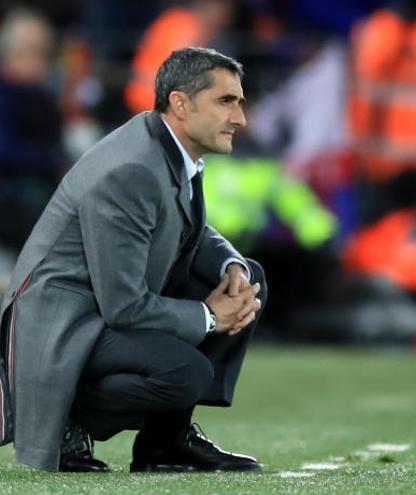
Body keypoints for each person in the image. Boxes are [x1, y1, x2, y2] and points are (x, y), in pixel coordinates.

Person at [0, 47, 266, 473]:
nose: (240, 118)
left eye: (240, 103)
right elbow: (123, 305)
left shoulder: (166, 144)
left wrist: (231, 266)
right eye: (225, 102)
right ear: (180, 103)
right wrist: (210, 317)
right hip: (62, 322)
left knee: (249, 279)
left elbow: (182, 227)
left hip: (99, 308)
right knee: (185, 374)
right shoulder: (133, 169)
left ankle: (166, 443)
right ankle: (69, 410)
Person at [0, 7, 64, 253]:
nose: (43, 62)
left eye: (46, 53)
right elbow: (5, 149)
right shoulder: (6, 93)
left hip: (39, 191)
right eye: (35, 52)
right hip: (13, 197)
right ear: (12, 53)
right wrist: (52, 162)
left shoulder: (41, 95)